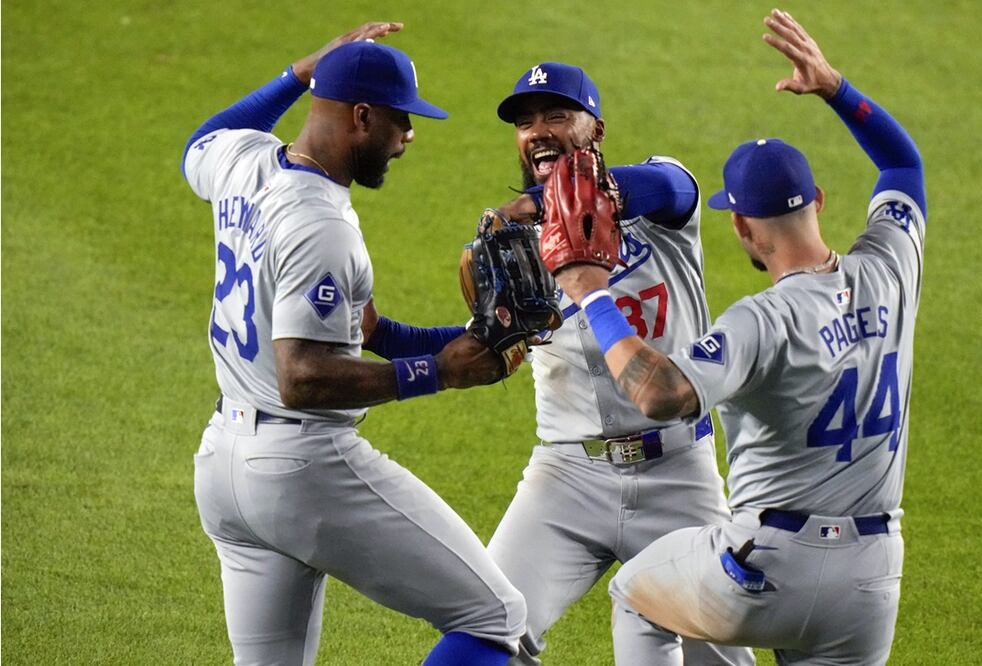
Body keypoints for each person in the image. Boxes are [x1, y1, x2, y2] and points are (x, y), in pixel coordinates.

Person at [549, 9, 925, 665]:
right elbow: (904, 163)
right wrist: (835, 86)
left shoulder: (762, 320)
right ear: (821, 200)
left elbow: (661, 394)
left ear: (743, 229)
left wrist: (592, 294)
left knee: (637, 595)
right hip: (871, 579)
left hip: (766, 571)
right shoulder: (892, 265)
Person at [181, 23, 526, 666]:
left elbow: (200, 142)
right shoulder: (321, 224)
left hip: (225, 468)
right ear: (362, 117)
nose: (409, 137)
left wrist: (482, 340)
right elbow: (304, 378)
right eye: (402, 121)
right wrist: (437, 373)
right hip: (301, 468)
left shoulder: (244, 161)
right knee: (494, 614)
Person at [488, 63, 755, 666]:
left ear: (597, 128)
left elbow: (673, 187)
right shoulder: (516, 243)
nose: (538, 131)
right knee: (486, 622)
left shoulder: (663, 203)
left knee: (721, 659)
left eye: (556, 115)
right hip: (566, 478)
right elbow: (484, 346)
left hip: (678, 473)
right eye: (525, 122)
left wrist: (555, 199)